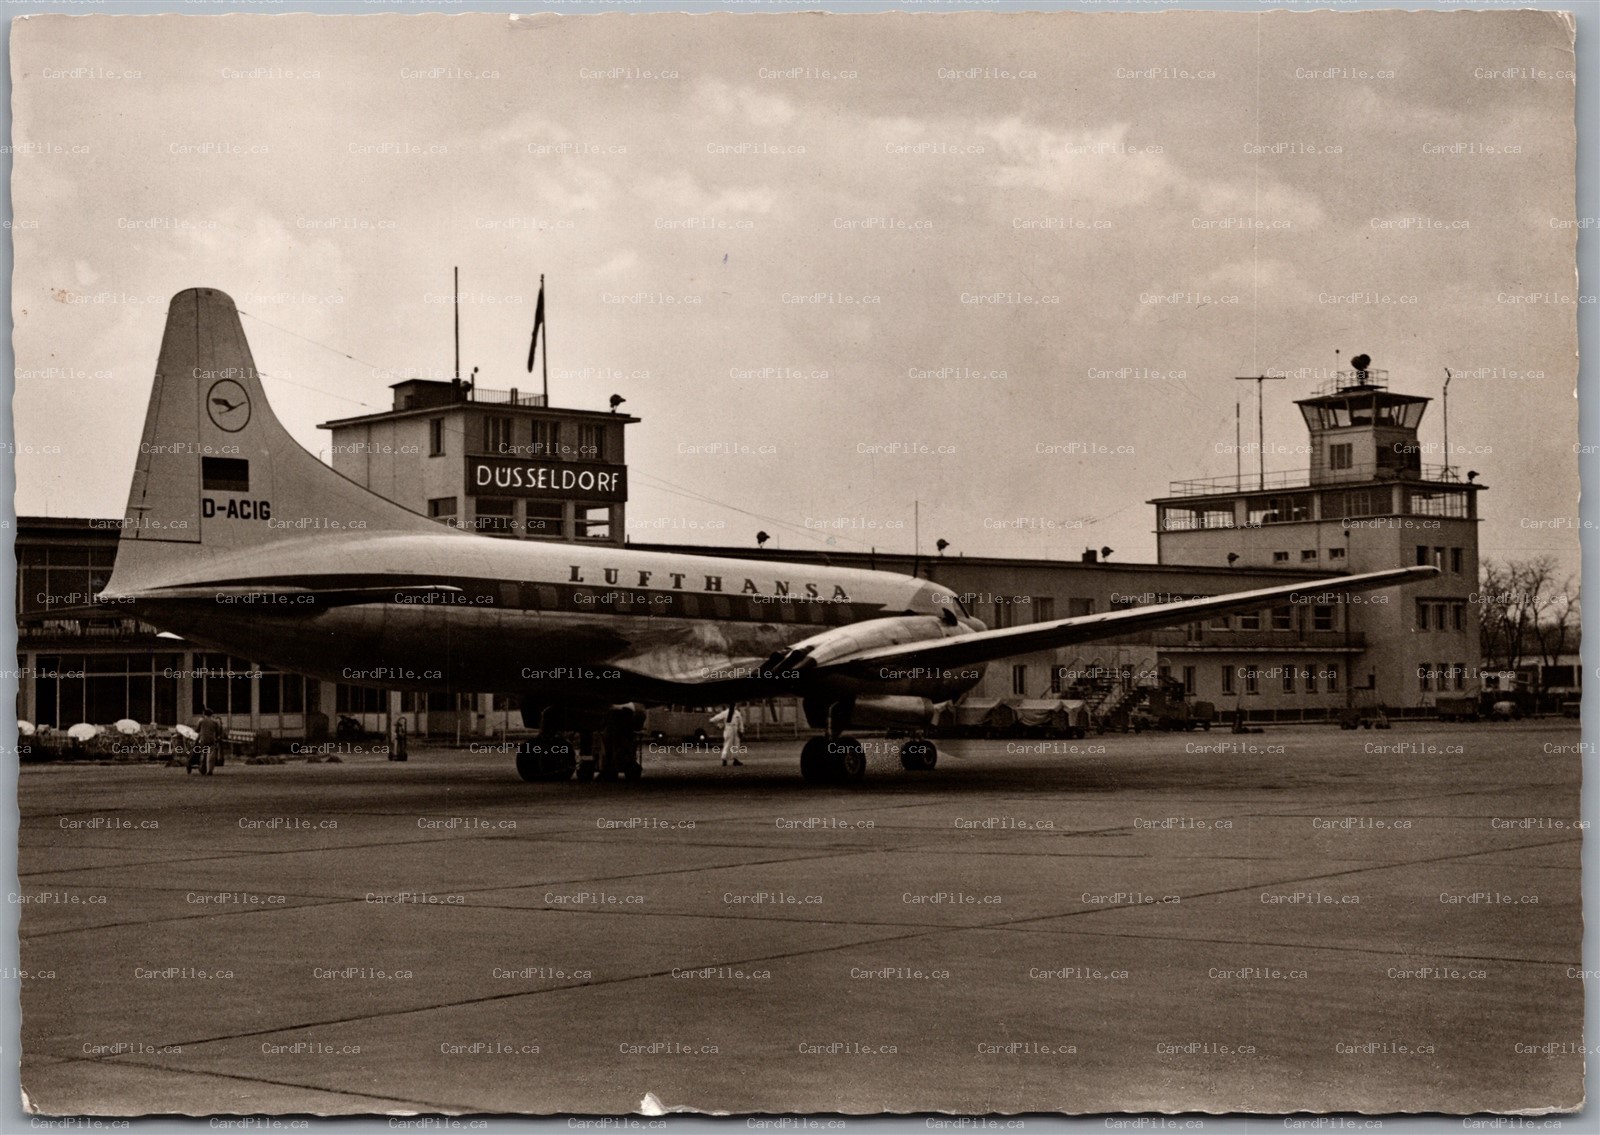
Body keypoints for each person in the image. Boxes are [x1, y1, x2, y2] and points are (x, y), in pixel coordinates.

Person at [192, 705, 226, 775]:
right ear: (211, 714)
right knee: (211, 755)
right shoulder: (215, 721)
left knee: (203, 754)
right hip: (212, 739)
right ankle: (209, 770)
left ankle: (202, 768)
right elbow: (218, 731)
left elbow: (196, 730)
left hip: (203, 739)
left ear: (204, 714)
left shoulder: (201, 721)